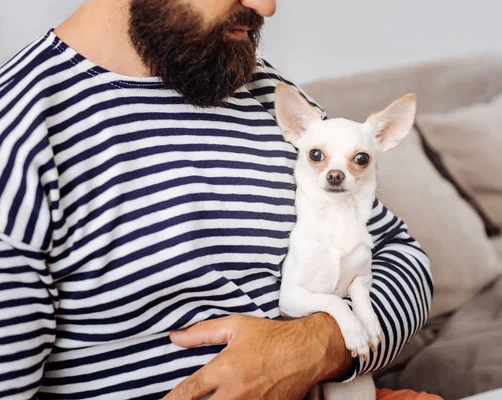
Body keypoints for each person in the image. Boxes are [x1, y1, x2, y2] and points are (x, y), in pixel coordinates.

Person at [0, 0, 433, 398]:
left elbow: (404, 257)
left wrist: (315, 346)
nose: (268, 6)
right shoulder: (21, 137)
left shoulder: (266, 91)